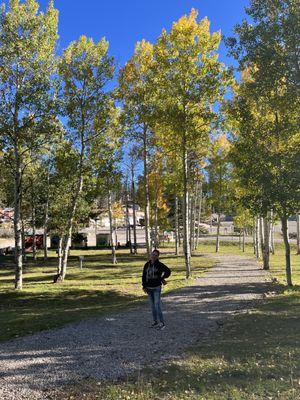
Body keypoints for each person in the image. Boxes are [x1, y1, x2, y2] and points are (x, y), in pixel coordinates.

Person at [142, 249, 171, 330]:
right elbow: (144, 276)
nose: (153, 256)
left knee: (157, 305)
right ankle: (155, 322)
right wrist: (144, 286)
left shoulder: (160, 265)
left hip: (156, 288)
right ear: (150, 255)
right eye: (152, 254)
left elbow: (168, 271)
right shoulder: (147, 265)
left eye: (155, 255)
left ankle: (162, 323)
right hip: (148, 288)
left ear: (158, 256)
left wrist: (162, 278)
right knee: (152, 306)